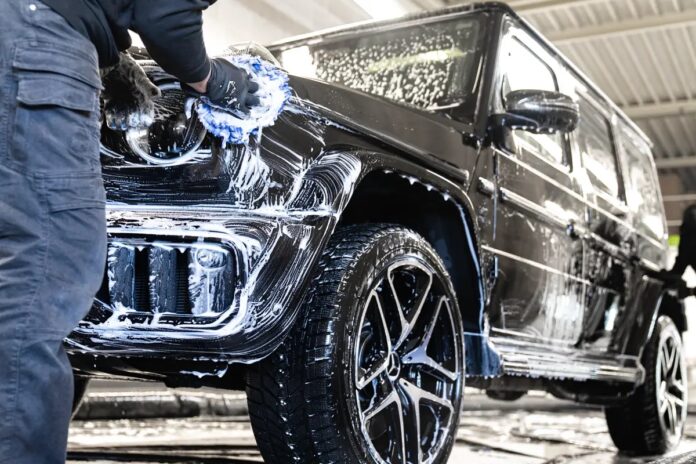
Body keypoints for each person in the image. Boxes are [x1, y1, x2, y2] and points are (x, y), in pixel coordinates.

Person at [0, 1, 262, 462]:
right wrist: (211, 77)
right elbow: (166, 13)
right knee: (42, 278)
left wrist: (111, 57)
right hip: (35, 47)